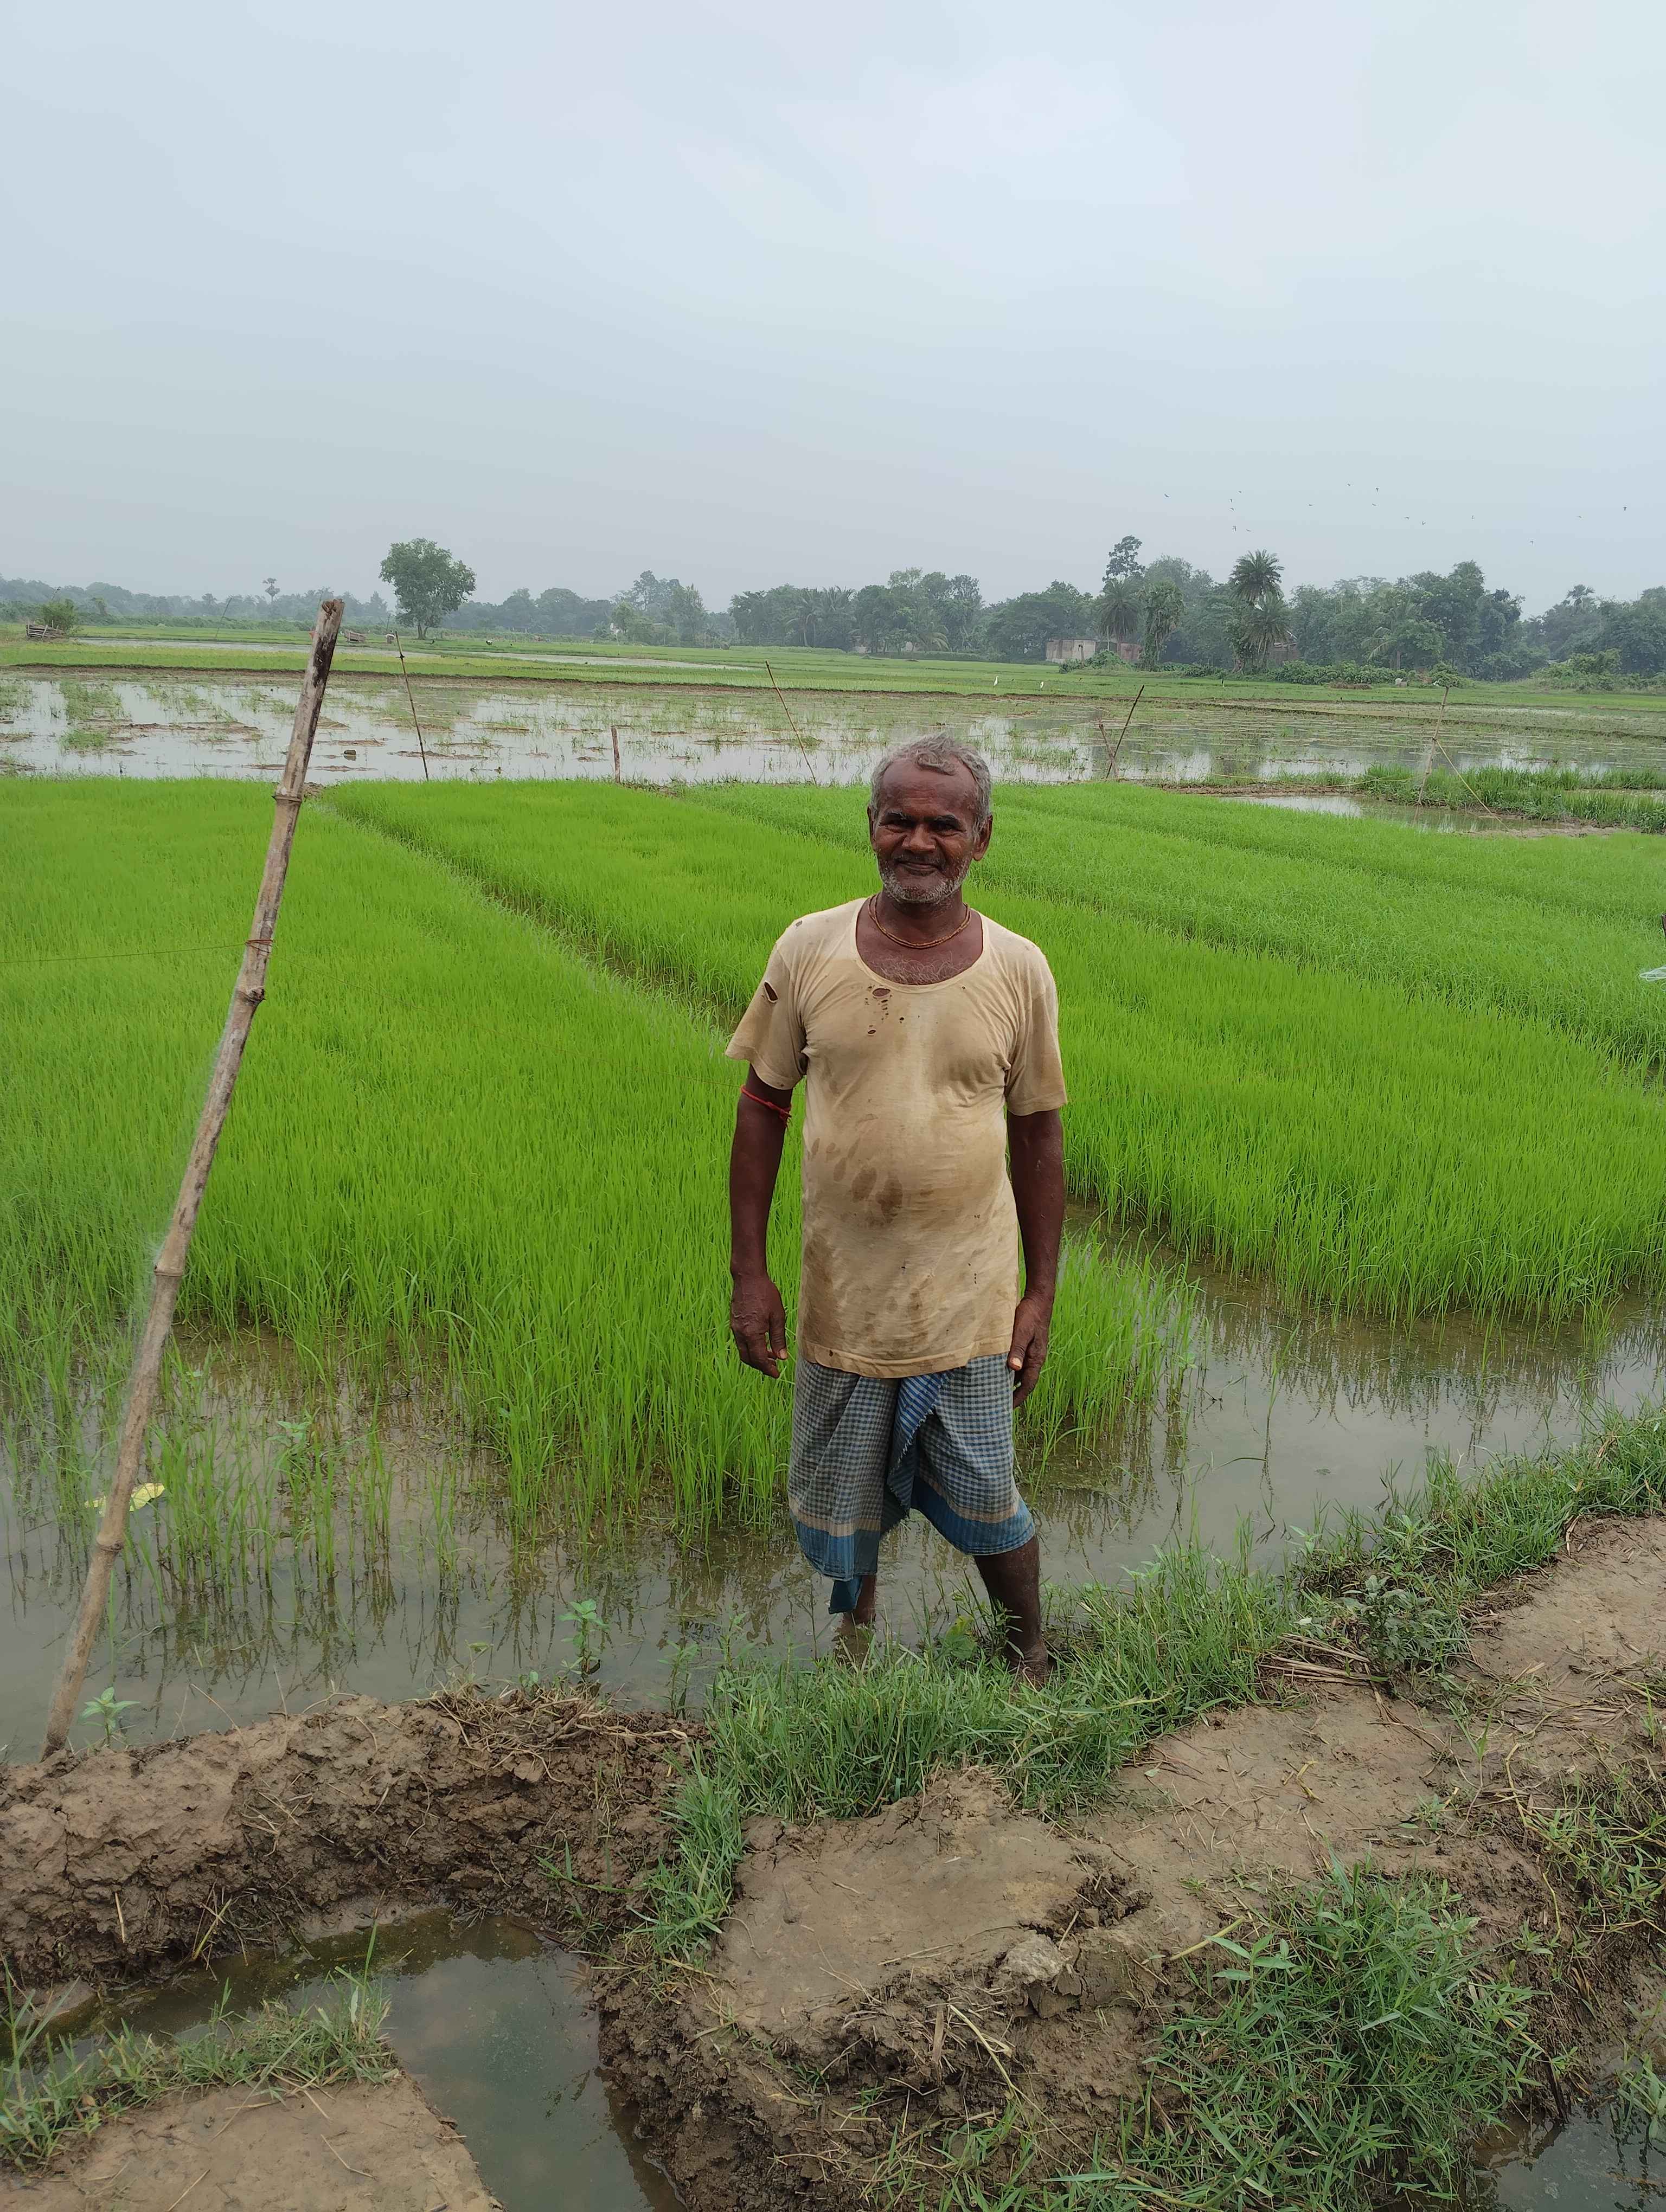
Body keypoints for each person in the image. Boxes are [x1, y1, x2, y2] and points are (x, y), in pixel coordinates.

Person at [725, 738, 1066, 1683]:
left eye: (943, 825)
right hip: (844, 1290)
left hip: (970, 1297)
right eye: (898, 821)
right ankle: (857, 1650)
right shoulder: (809, 947)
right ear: (871, 827)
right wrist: (750, 1276)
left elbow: (1039, 1133)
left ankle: (1030, 1653)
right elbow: (761, 1108)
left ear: (981, 839)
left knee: (989, 1488)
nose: (919, 842)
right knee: (850, 1494)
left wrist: (1040, 1295)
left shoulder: (1019, 968)